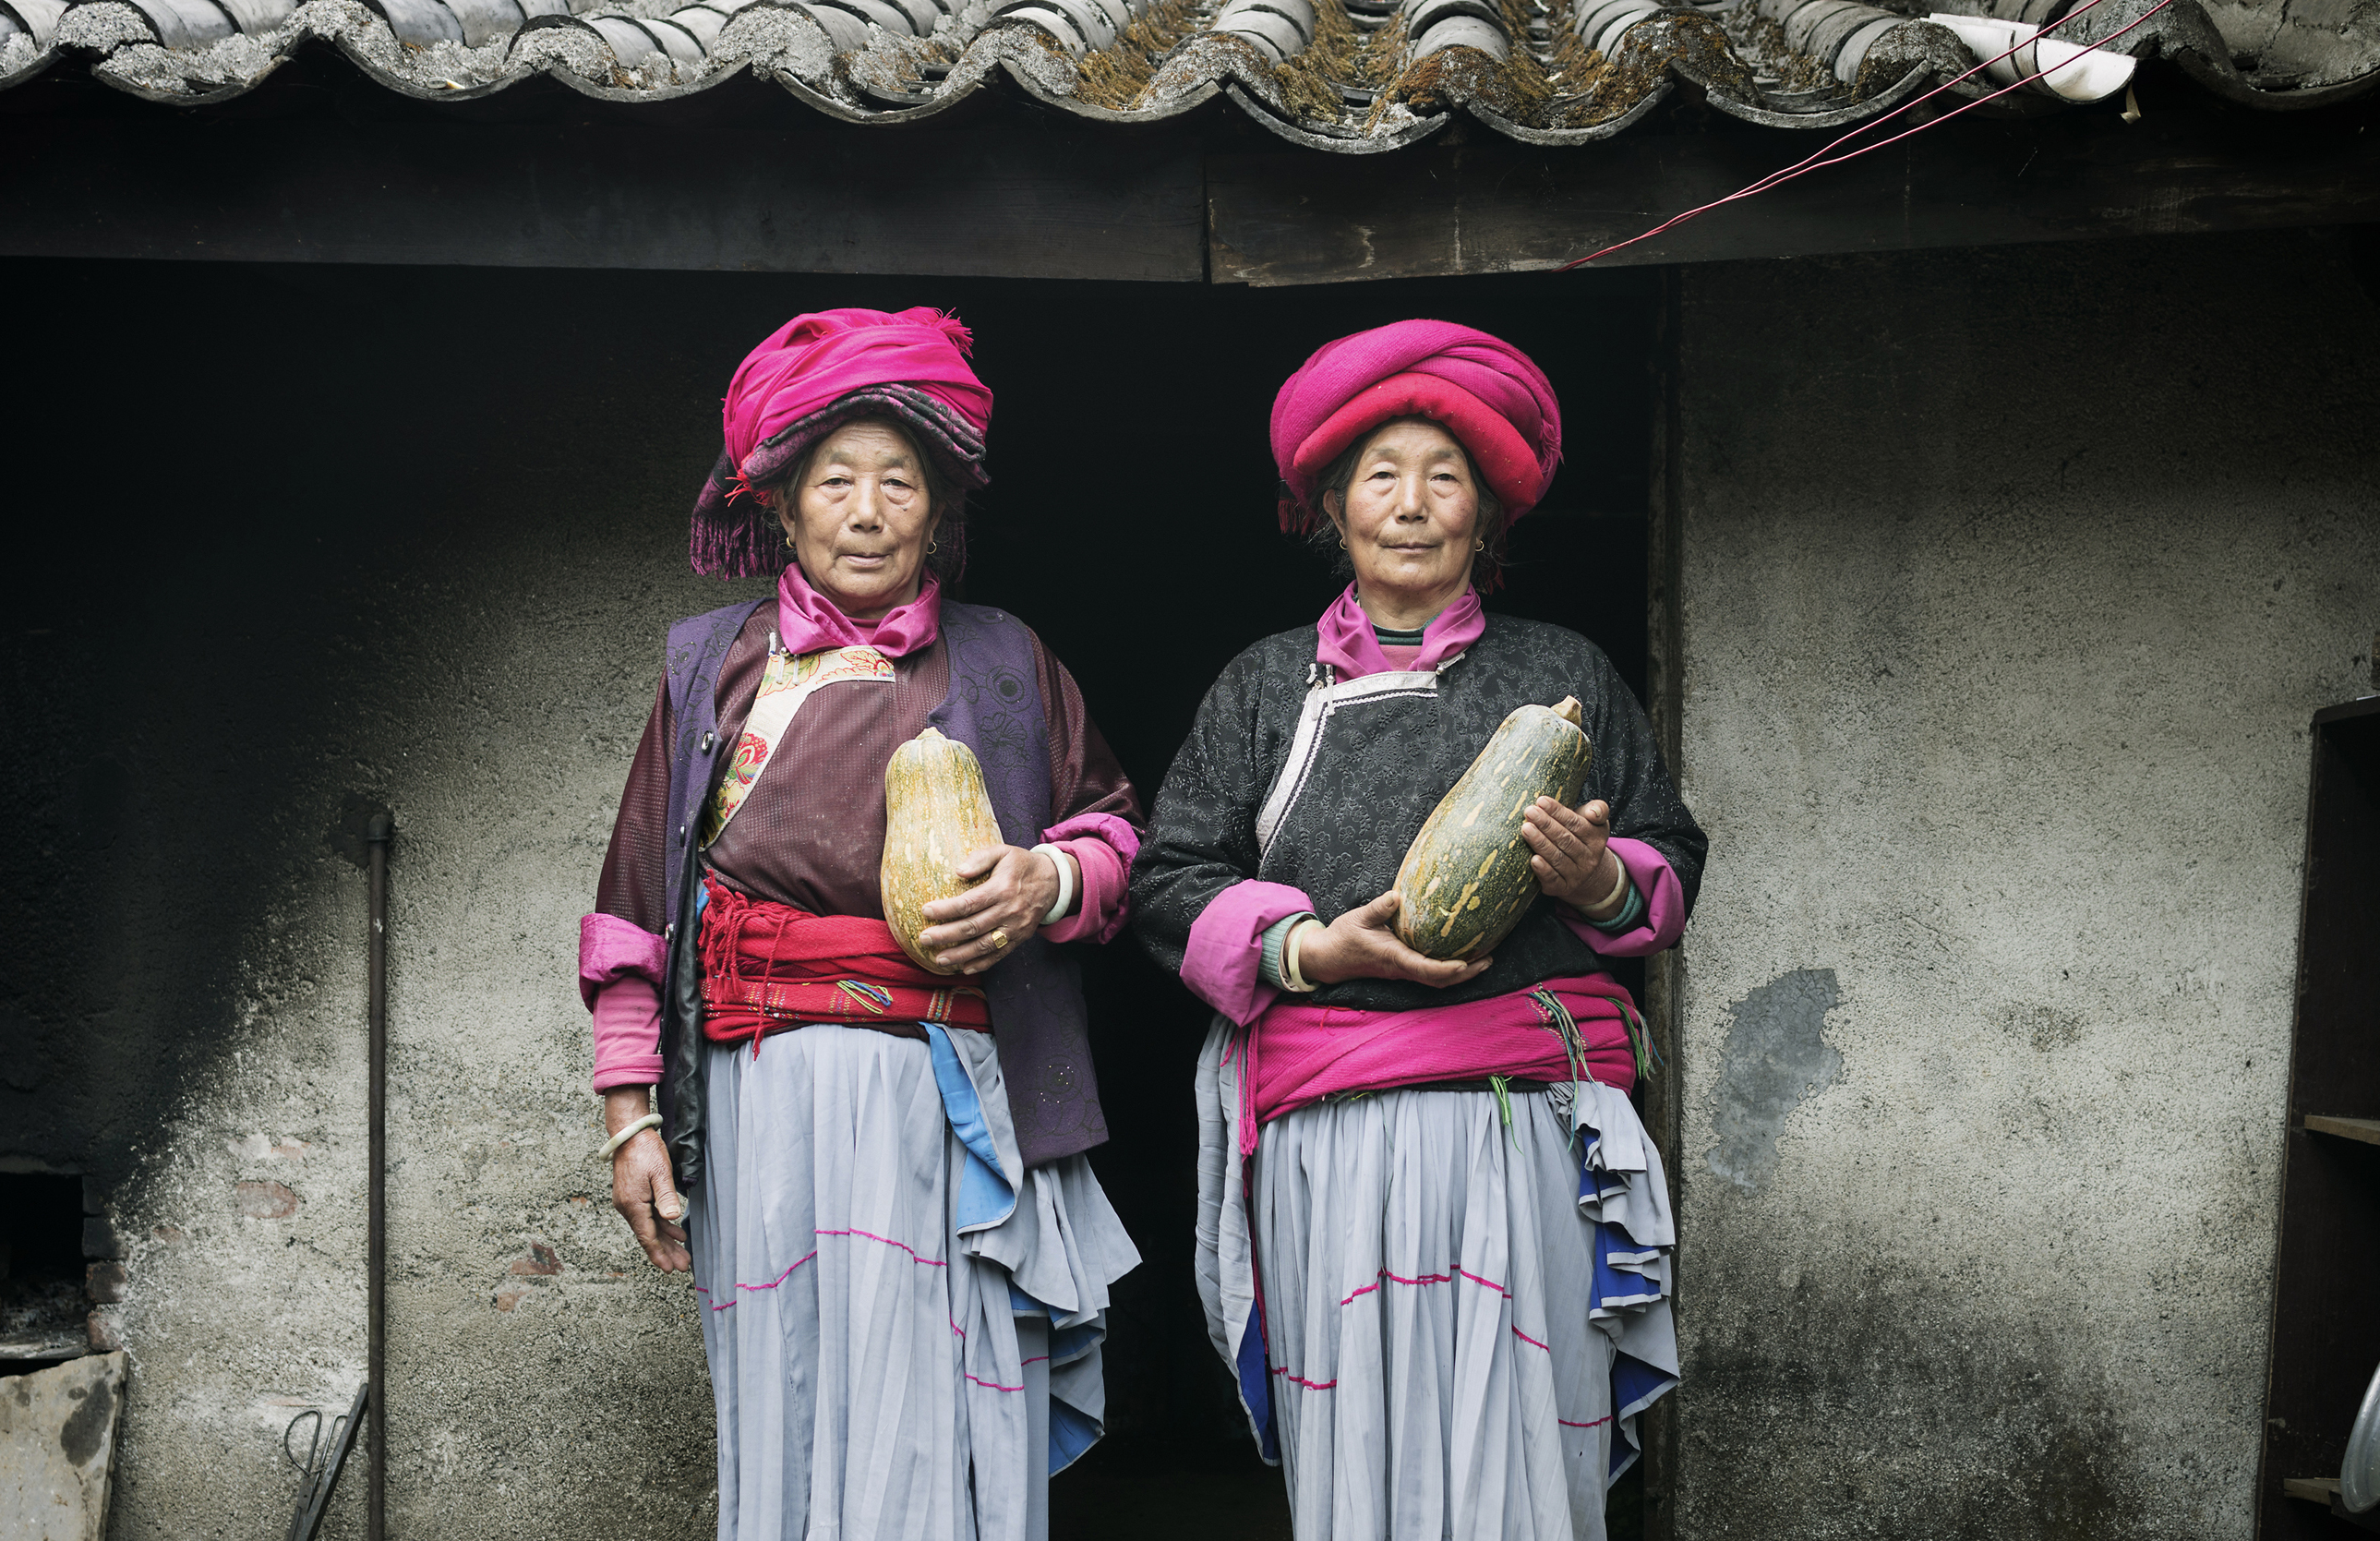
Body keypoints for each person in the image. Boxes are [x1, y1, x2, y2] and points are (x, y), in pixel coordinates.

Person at [1128, 319, 1707, 1541]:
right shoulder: (1263, 685)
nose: (1413, 502)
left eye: (1445, 477)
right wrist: (1312, 949)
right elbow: (1169, 876)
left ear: (1486, 518)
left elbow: (1671, 856)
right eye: (1381, 475)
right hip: (1332, 1118)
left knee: (1522, 1420)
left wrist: (1601, 880)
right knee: (1366, 1437)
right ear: (1330, 507)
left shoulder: (1567, 673)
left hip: (1528, 1124)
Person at [578, 307, 1144, 1541]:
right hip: (756, 1091)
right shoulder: (711, 669)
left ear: (941, 513)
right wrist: (632, 1120)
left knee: (935, 1400)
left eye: (902, 482)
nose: (869, 508)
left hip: (947, 1094)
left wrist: (1046, 880)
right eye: (836, 480)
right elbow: (631, 918)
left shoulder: (1004, 662)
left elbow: (1115, 839)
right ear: (780, 505)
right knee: (784, 1392)